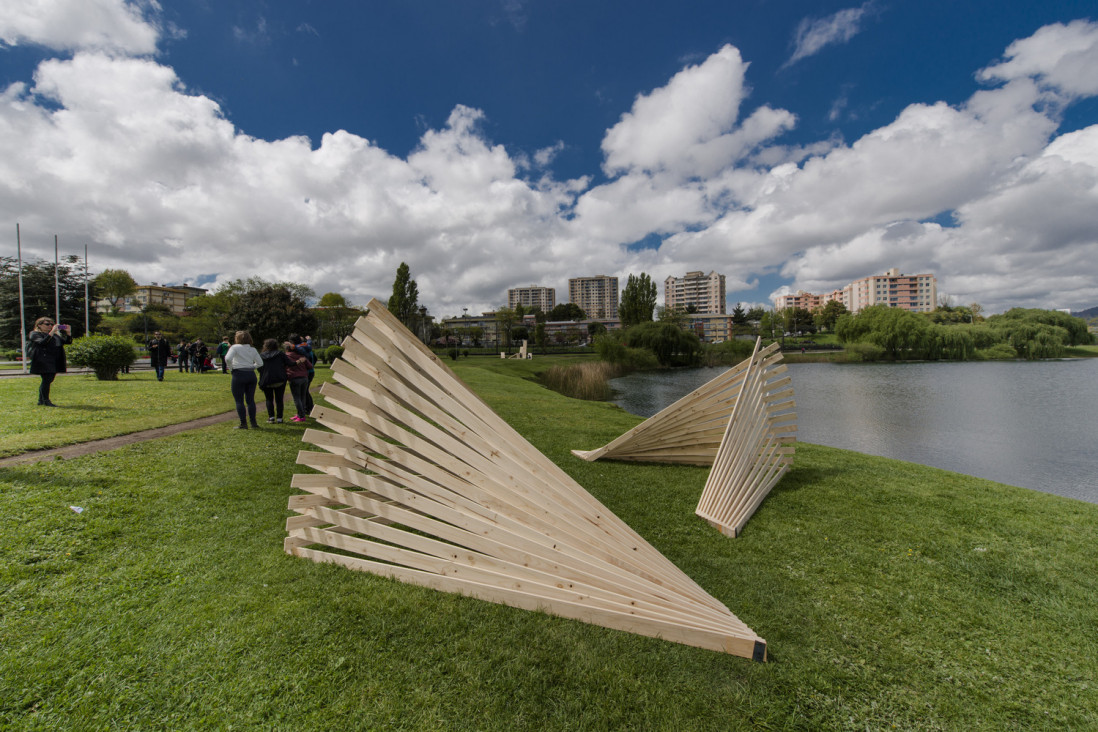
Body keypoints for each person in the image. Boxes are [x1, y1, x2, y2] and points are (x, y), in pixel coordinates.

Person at [27, 316, 72, 406]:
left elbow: (67, 342)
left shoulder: (55, 335)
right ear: (39, 325)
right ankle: (46, 400)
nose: (50, 326)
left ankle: (41, 400)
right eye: (47, 324)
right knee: (47, 379)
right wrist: (52, 332)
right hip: (43, 359)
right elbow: (43, 342)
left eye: (52, 324)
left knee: (49, 379)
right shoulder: (34, 334)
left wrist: (68, 333)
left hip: (54, 359)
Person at [224, 330, 263, 429]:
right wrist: (252, 367)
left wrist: (231, 368)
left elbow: (228, 358)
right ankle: (253, 423)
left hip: (239, 374)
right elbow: (260, 363)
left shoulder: (235, 347)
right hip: (250, 374)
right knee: (250, 400)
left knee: (239, 401)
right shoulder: (252, 349)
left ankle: (243, 423)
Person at [259, 338, 295, 423]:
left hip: (267, 380)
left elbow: (259, 368)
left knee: (269, 399)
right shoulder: (280, 354)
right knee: (279, 399)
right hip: (279, 379)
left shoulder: (262, 355)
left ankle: (271, 417)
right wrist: (298, 362)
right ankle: (279, 418)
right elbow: (289, 363)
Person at [285, 341, 311, 423]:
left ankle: (301, 416)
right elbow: (310, 366)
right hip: (304, 378)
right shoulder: (302, 356)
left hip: (294, 378)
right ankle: (300, 414)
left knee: (297, 398)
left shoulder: (286, 356)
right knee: (302, 397)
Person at [290, 333, 316, 414]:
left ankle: (308, 408)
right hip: (310, 371)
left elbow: (300, 350)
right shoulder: (307, 347)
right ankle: (308, 408)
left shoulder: (300, 349)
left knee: (304, 392)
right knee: (305, 391)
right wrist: (309, 339)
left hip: (306, 372)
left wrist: (293, 347)